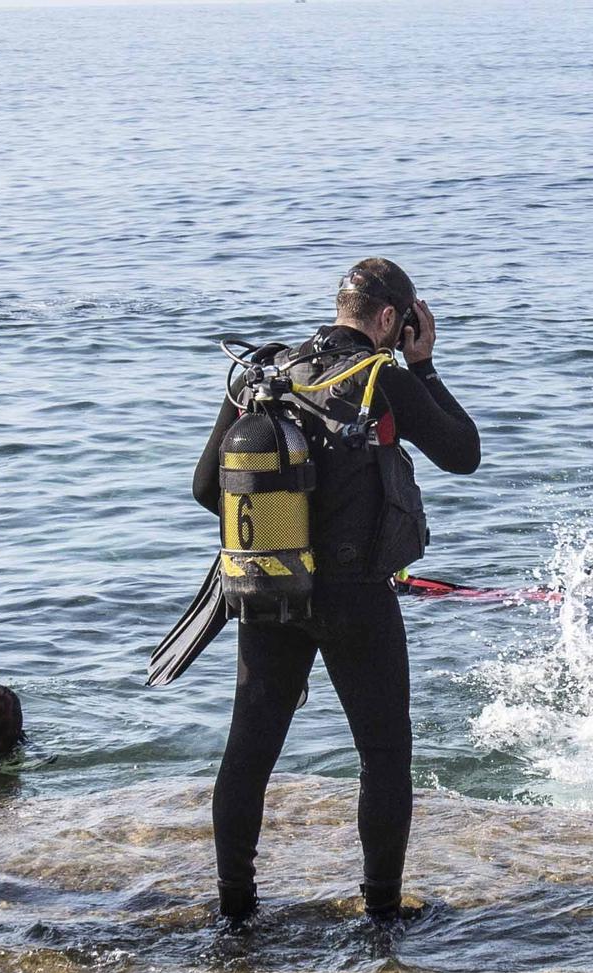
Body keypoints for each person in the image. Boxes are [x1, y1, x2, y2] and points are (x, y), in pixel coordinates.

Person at [191, 259, 481, 927]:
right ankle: (381, 910)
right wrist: (425, 366)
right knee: (382, 754)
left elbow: (208, 488)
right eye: (405, 324)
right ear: (390, 320)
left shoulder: (264, 377)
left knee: (249, 750)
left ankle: (236, 908)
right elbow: (464, 452)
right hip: (356, 598)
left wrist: (281, 531)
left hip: (270, 592)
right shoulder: (383, 379)